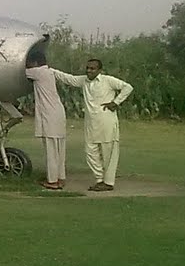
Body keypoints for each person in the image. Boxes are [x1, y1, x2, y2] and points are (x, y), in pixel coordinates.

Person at [53, 59, 133, 191]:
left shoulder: (108, 80)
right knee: (90, 151)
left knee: (108, 152)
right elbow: (69, 79)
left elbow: (128, 87)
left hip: (106, 121)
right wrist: (50, 71)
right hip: (90, 123)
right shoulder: (84, 80)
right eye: (88, 68)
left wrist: (115, 102)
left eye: (93, 68)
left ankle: (108, 182)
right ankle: (99, 179)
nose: (89, 71)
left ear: (99, 70)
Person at [25, 51, 67, 190]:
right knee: (59, 150)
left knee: (51, 150)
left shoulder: (37, 72)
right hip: (58, 113)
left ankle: (52, 181)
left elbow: (18, 72)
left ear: (36, 63)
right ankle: (60, 178)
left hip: (50, 115)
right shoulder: (49, 72)